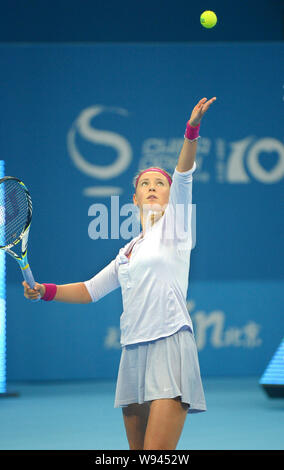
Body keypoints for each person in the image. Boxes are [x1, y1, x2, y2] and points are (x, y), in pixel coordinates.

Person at [23, 96, 217, 450]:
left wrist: (192, 131)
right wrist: (44, 290)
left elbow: (184, 174)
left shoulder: (177, 227)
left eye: (161, 183)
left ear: (173, 197)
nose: (154, 187)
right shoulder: (127, 251)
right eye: (146, 184)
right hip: (133, 353)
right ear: (135, 200)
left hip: (170, 345)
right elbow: (89, 290)